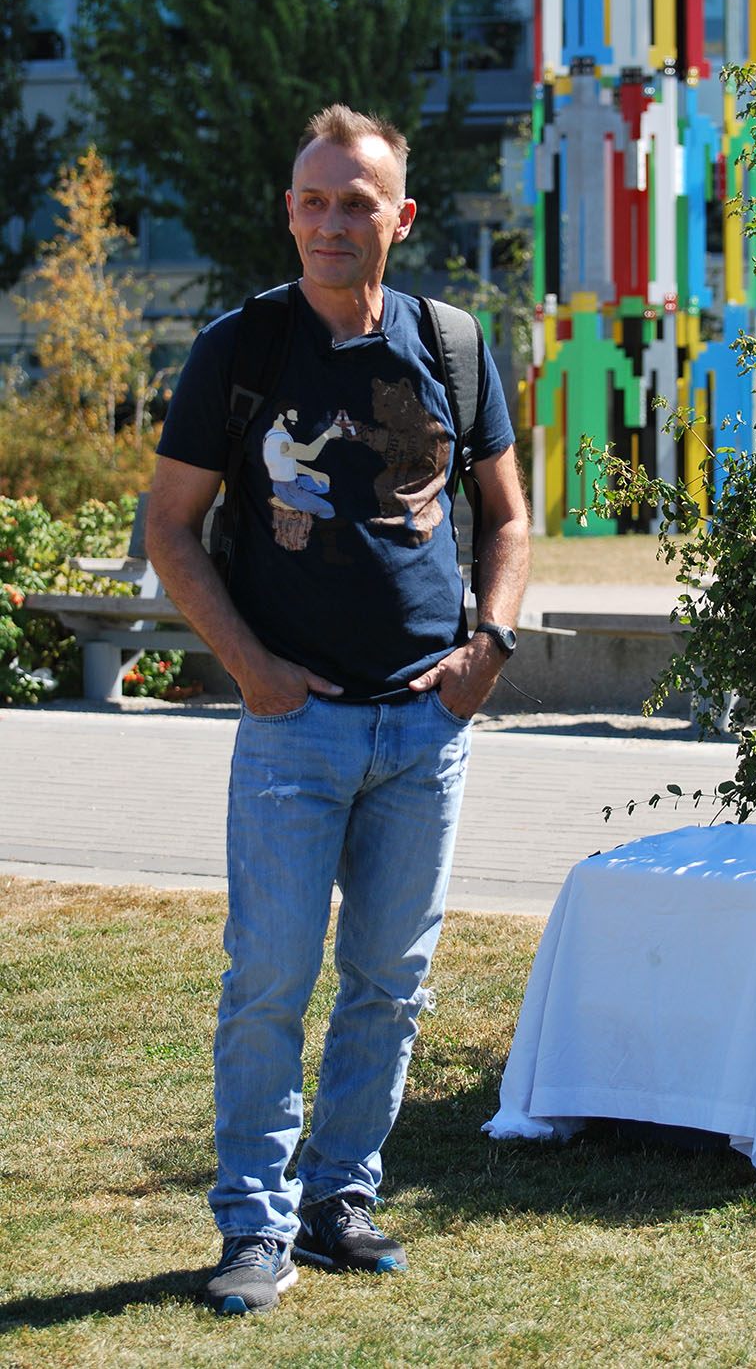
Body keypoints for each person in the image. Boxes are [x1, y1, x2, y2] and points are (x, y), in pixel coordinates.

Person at [146, 102, 530, 1316]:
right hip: (290, 727)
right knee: (268, 978)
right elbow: (169, 528)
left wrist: (489, 649)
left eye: (354, 201)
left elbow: (509, 518)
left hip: (426, 728)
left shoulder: (456, 345)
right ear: (290, 212)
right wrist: (249, 667)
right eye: (310, 200)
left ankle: (336, 1201)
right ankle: (253, 1228)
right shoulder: (241, 349)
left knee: (388, 979)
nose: (328, 222)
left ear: (398, 217)